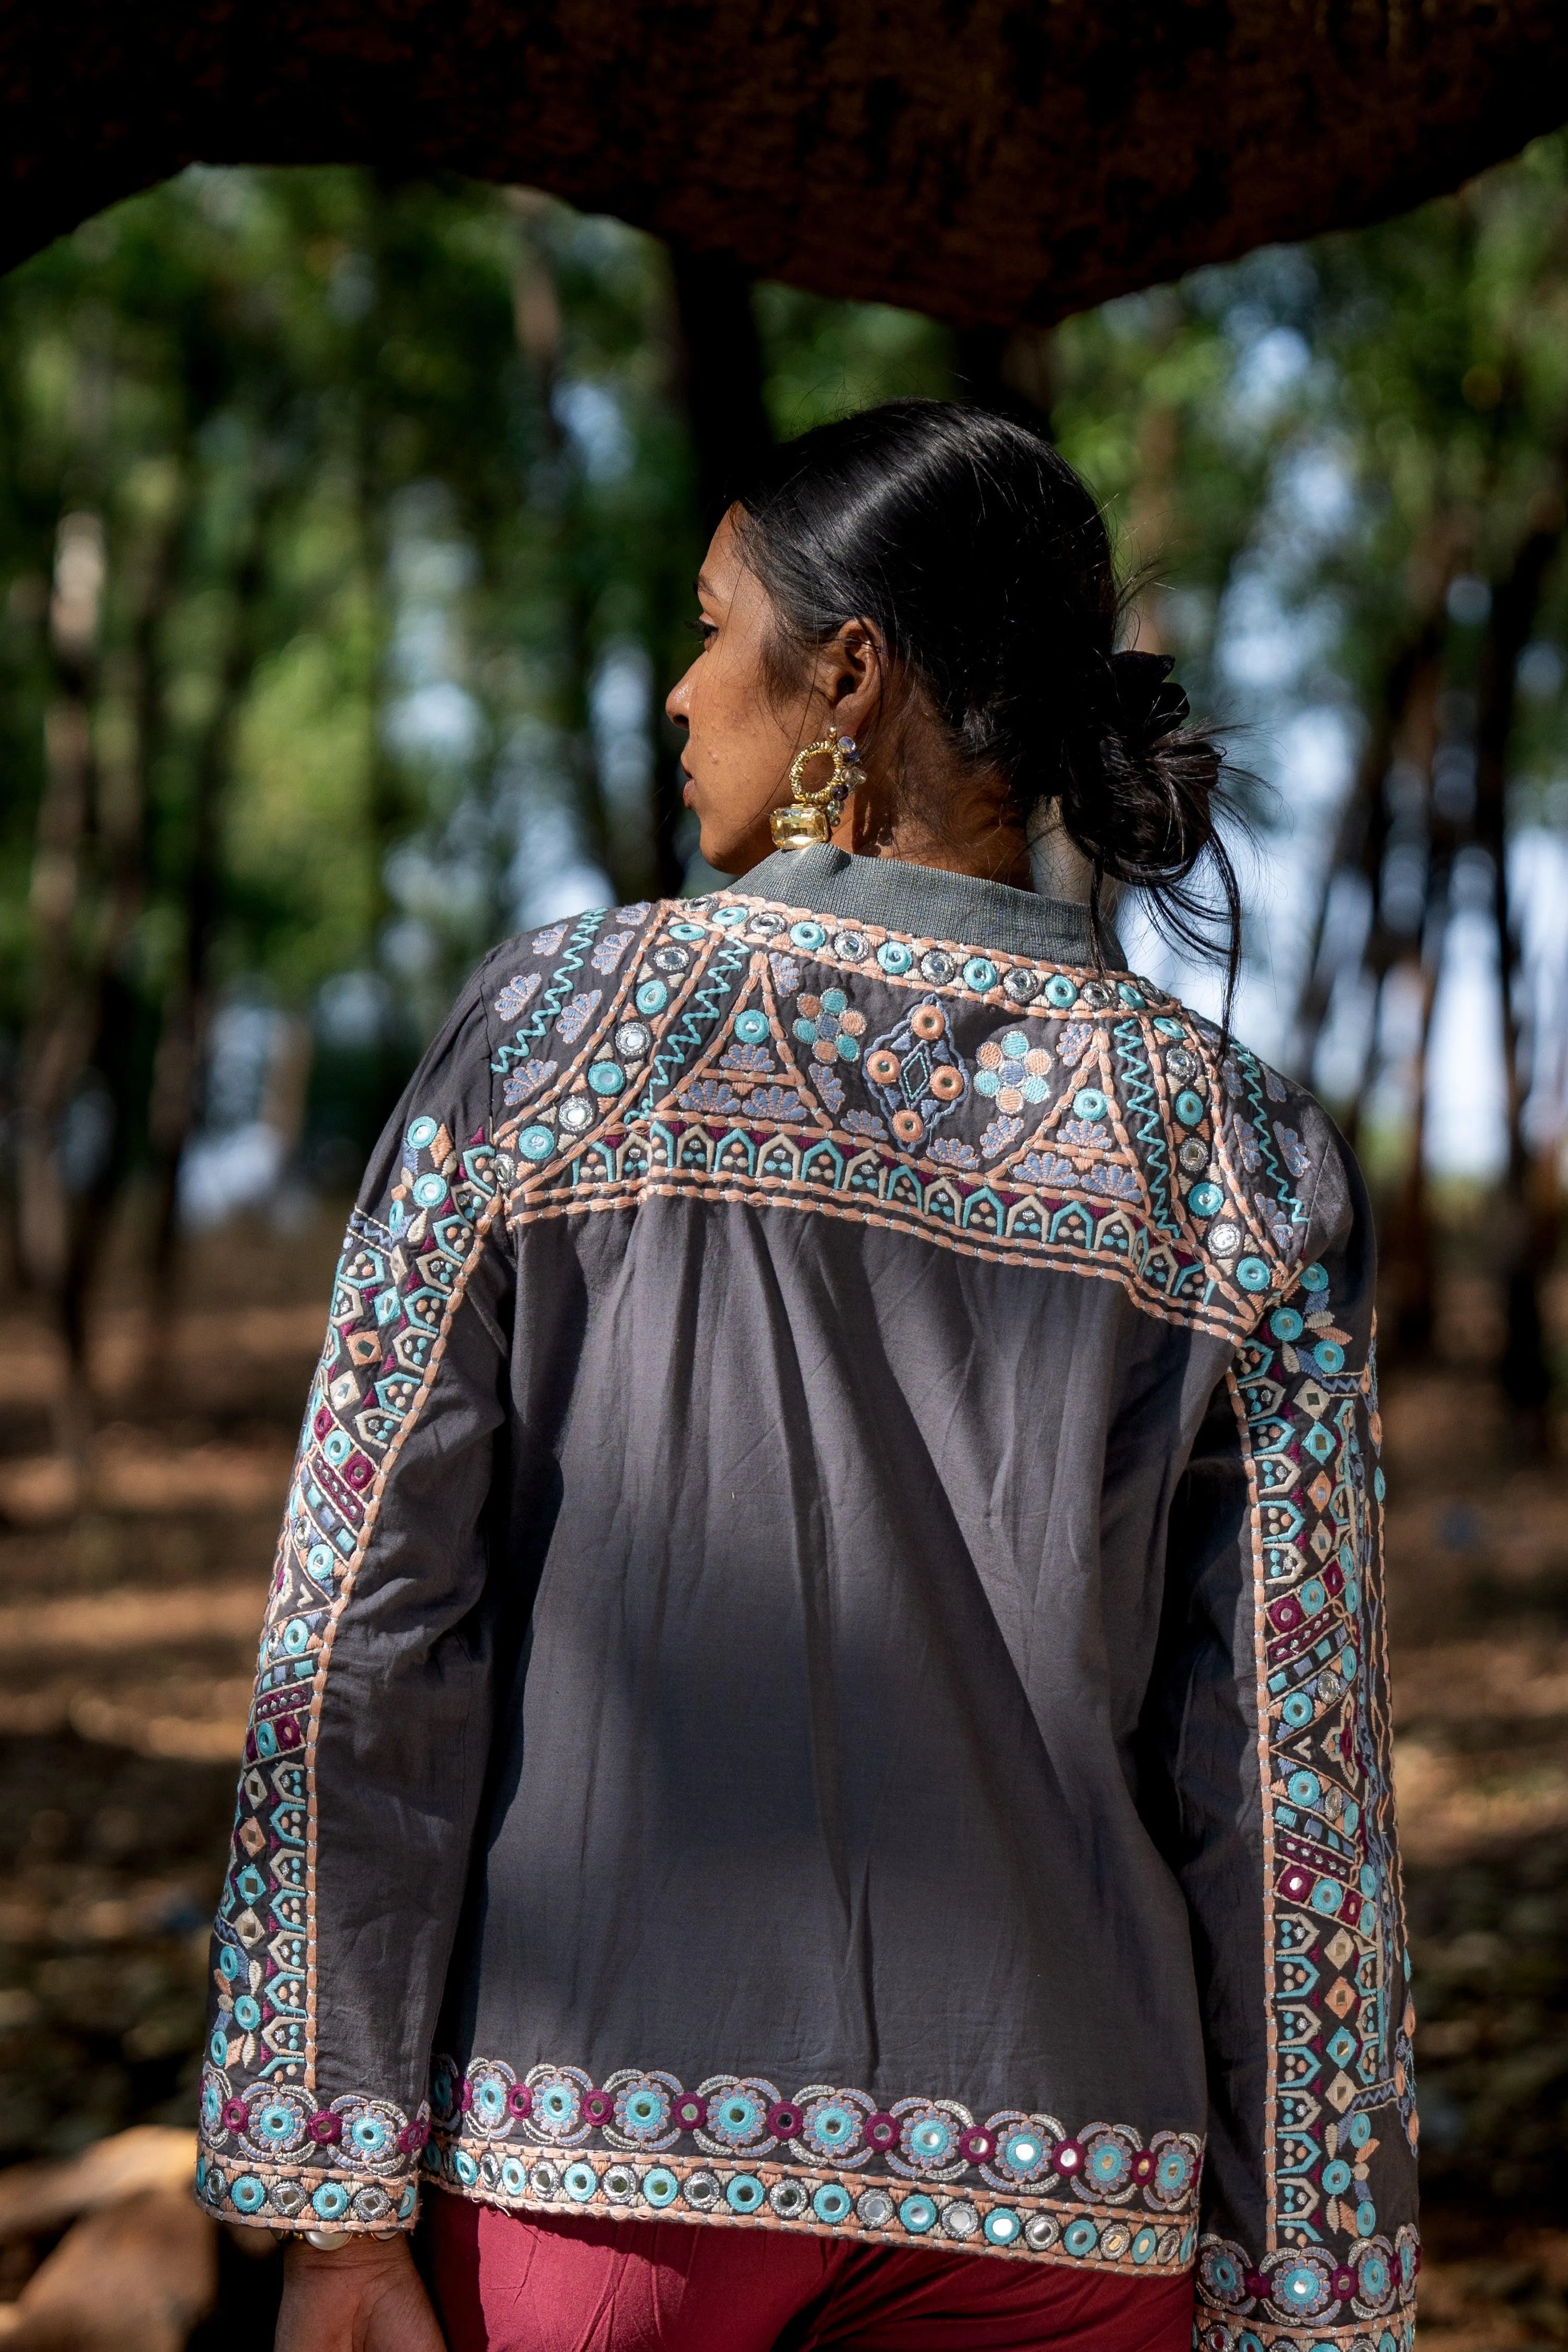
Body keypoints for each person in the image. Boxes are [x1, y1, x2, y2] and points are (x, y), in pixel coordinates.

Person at [197, 402, 1418, 2352]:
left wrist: (329, 2188)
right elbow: (1293, 1780)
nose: (682, 694)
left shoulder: (558, 1043)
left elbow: (366, 1625)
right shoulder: (1233, 1156)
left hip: (597, 2172)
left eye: (710, 626)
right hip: (1073, 2207)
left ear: (849, 672)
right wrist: (1314, 2290)